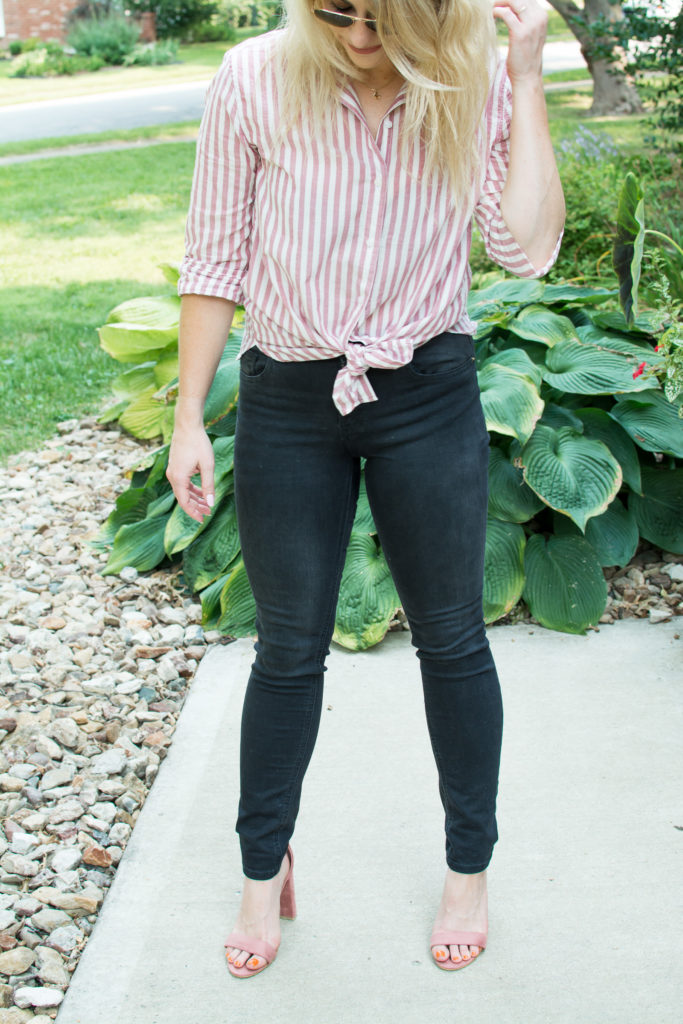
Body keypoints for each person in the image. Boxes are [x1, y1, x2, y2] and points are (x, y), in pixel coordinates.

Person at [166, 0, 565, 978]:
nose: (354, 41)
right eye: (335, 14)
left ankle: (466, 867)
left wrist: (519, 72)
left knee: (451, 639)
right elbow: (214, 256)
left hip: (423, 391)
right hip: (288, 401)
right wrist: (186, 418)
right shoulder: (253, 78)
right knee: (288, 651)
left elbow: (524, 248)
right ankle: (264, 871)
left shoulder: (464, 78)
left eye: (381, 21)